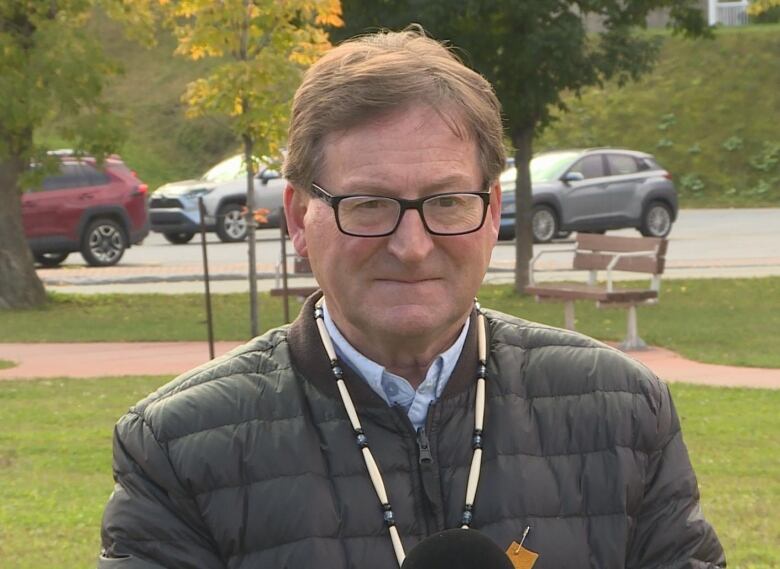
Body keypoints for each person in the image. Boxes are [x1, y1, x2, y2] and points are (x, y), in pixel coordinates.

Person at [99, 28, 725, 569]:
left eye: (446, 202)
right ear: (298, 217)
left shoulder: (622, 413)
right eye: (368, 204)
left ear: (491, 211)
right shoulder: (178, 447)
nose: (413, 245)